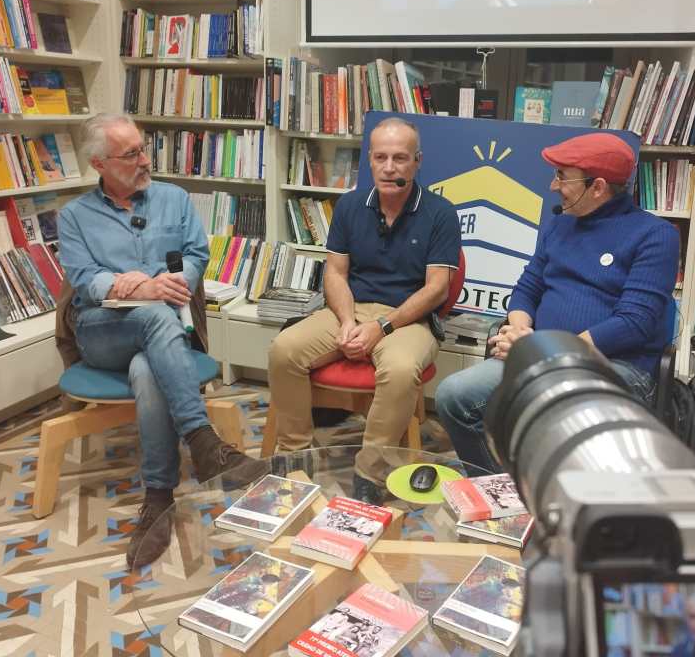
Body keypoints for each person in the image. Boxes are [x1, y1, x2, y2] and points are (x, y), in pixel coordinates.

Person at [57, 113, 267, 570]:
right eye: (131, 154)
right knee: (153, 316)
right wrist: (133, 286)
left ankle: (158, 498)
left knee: (146, 369)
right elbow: (84, 279)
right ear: (99, 163)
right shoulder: (74, 216)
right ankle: (202, 440)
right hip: (102, 329)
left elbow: (196, 254)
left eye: (144, 148)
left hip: (162, 331)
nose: (145, 160)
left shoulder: (174, 198)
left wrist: (174, 282)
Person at [435, 131, 680, 474]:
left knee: (549, 410)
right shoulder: (560, 225)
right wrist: (519, 332)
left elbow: (634, 322)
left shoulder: (656, 235)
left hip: (615, 365)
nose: (553, 185)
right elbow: (527, 288)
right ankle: (498, 487)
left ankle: (549, 492)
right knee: (453, 394)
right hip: (541, 357)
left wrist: (546, 351)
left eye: (563, 177)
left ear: (598, 187)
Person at [268, 117, 462, 504]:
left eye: (400, 158)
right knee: (283, 350)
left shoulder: (440, 213)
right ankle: (295, 457)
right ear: (369, 160)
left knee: (402, 370)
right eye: (380, 157)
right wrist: (345, 321)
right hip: (350, 309)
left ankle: (369, 473)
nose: (389, 167)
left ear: (417, 161)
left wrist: (381, 327)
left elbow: (436, 288)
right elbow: (335, 273)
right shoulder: (350, 205)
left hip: (407, 318)